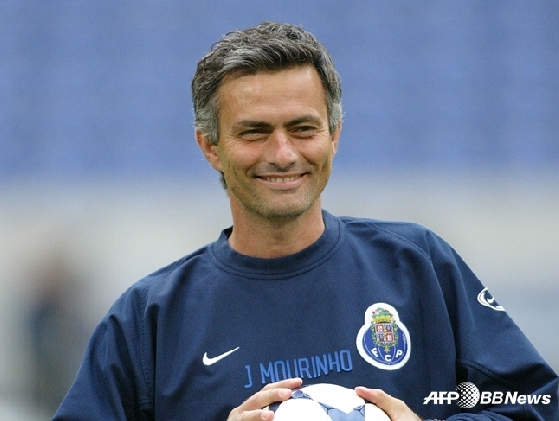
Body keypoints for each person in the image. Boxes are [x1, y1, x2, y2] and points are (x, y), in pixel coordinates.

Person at [53, 22, 557, 421]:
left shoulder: (418, 266)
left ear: (334, 134)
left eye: (302, 128)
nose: (282, 153)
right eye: (254, 132)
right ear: (210, 146)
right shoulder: (149, 320)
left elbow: (537, 403)